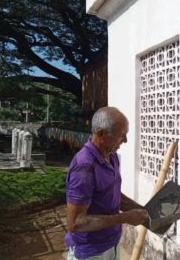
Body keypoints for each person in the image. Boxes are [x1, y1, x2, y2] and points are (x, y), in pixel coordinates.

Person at [65, 107, 149, 260]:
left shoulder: (112, 156)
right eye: (121, 135)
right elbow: (75, 223)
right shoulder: (84, 167)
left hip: (112, 244)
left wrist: (144, 210)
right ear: (101, 134)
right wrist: (124, 218)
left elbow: (113, 194)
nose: (125, 141)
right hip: (91, 252)